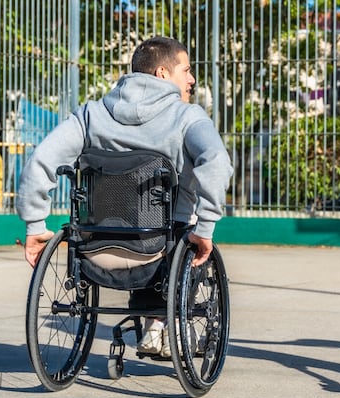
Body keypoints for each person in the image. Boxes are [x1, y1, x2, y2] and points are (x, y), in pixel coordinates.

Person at [17, 35, 233, 358]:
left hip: (97, 248)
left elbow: (41, 160)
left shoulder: (91, 115)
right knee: (185, 230)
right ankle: (162, 320)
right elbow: (217, 161)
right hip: (159, 246)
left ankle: (155, 321)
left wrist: (35, 224)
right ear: (162, 74)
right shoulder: (187, 118)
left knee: (146, 221)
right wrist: (206, 228)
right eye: (186, 70)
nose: (191, 80)